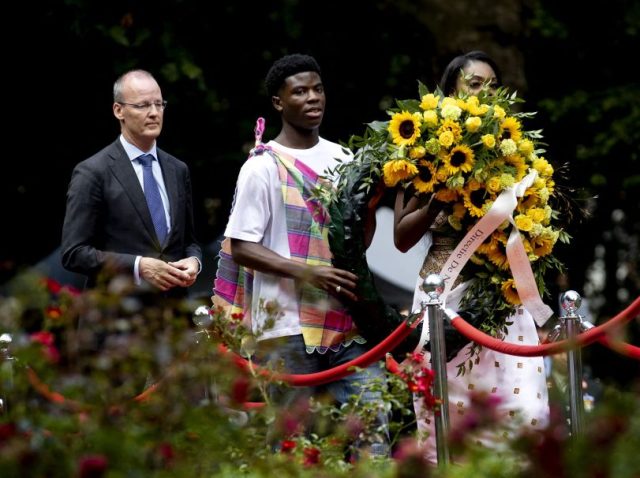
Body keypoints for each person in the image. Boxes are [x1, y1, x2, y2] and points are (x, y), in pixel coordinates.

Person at [212, 53, 389, 457]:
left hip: (349, 320)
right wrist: (308, 273)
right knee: (294, 448)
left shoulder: (345, 158)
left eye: (318, 89)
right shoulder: (261, 166)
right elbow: (240, 246)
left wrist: (372, 203)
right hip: (287, 329)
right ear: (278, 102)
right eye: (300, 91)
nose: (313, 98)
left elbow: (357, 243)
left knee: (373, 432)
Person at [393, 51, 550, 463]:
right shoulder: (422, 151)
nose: (486, 92)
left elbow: (531, 224)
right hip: (444, 290)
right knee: (451, 413)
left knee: (523, 411)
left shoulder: (516, 152)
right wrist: (438, 191)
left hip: (503, 287)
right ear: (450, 92)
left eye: (492, 85)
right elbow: (401, 238)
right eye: (475, 84)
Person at [61, 69, 202, 296]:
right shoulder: (93, 171)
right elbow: (74, 253)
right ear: (119, 110)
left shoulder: (178, 169)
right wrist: (138, 266)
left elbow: (189, 241)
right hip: (116, 316)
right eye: (142, 105)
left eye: (159, 104)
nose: (154, 113)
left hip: (172, 317)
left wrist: (194, 261)